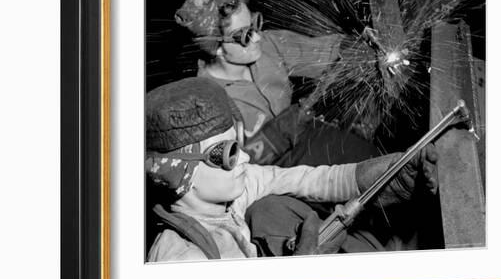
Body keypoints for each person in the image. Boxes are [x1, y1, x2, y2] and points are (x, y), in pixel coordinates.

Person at [146, 77, 438, 261]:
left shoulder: (232, 197)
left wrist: (394, 172)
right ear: (179, 175)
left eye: (239, 143)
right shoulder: (184, 260)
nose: (246, 158)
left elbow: (309, 180)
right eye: (229, 153)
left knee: (271, 210)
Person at [174, 0, 377, 167]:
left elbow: (321, 52)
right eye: (244, 35)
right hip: (264, 186)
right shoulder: (206, 103)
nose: (257, 38)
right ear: (217, 48)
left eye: (254, 24)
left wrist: (355, 45)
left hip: (304, 151)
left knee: (367, 156)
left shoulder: (268, 46)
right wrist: (274, 135)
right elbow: (231, 174)